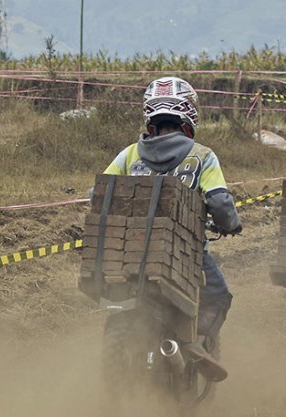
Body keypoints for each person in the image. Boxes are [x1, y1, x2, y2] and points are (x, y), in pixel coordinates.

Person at [103, 76, 242, 380]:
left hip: (129, 252)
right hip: (186, 254)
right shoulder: (202, 156)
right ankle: (197, 342)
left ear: (149, 115)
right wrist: (230, 224)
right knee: (219, 294)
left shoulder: (128, 155)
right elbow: (219, 203)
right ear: (189, 113)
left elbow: (99, 194)